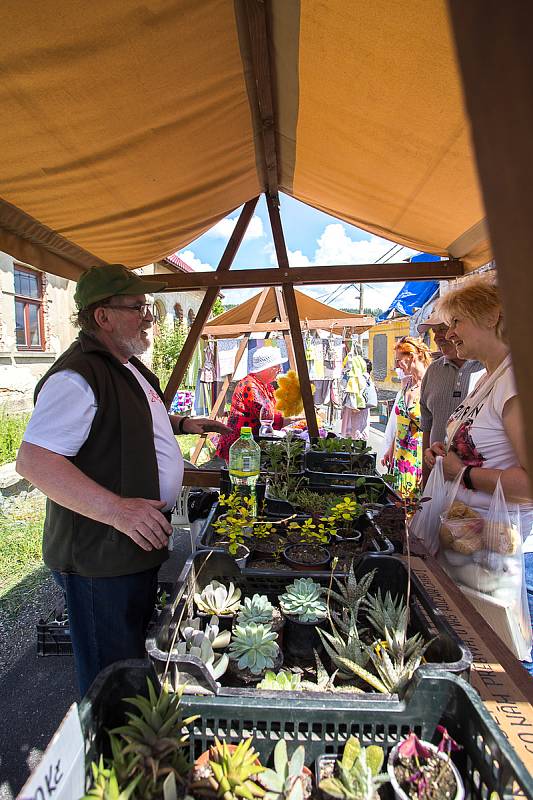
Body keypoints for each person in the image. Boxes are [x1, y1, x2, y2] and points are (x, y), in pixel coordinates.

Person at [16, 264, 231, 695]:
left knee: (129, 656)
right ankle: (108, 754)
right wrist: (116, 508)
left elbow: (130, 421)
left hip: (132, 548)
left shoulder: (123, 366)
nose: (149, 316)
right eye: (138, 307)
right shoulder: (77, 375)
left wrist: (185, 424)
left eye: (147, 307)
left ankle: (127, 744)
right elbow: (34, 460)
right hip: (100, 558)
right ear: (103, 317)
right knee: (107, 676)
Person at [423, 275, 533, 666]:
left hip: (504, 550)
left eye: (456, 322)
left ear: (491, 316)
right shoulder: (487, 378)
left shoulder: (517, 380)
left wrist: (463, 474)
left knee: (504, 662)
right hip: (470, 542)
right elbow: (477, 446)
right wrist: (445, 454)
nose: (449, 333)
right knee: (474, 650)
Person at [417, 310, 485, 485]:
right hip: (438, 478)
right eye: (434, 331)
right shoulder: (432, 371)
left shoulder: (487, 368)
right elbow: (427, 427)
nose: (438, 336)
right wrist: (426, 482)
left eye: (442, 328)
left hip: (478, 483)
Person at [215, 345, 287, 462]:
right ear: (267, 368)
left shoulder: (266, 386)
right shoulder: (250, 385)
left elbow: (277, 407)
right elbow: (267, 416)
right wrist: (297, 418)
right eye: (277, 366)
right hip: (239, 444)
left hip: (250, 442)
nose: (280, 370)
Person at [383, 337, 431, 497]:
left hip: (417, 459)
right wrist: (390, 449)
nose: (397, 365)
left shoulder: (430, 384)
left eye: (399, 360)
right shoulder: (407, 383)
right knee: (397, 507)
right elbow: (401, 423)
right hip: (399, 456)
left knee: (413, 509)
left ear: (412, 356)